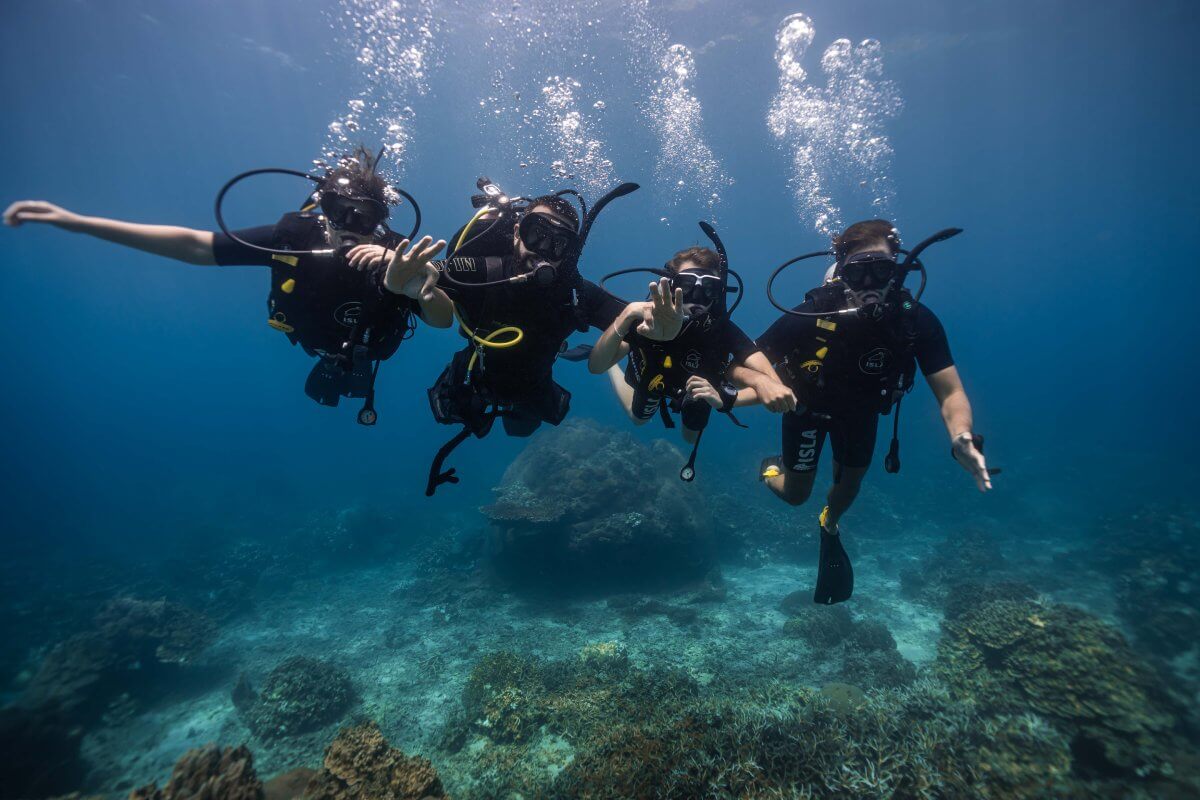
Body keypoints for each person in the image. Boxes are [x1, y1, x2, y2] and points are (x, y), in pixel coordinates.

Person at [2, 146, 450, 425]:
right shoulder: (294, 240)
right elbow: (196, 246)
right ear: (321, 208)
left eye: (364, 217)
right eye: (337, 210)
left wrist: (417, 290)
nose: (348, 225)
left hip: (372, 346)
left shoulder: (399, 256)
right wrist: (77, 222)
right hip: (318, 342)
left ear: (380, 221)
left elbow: (443, 320)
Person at [733, 219, 993, 605]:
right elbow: (739, 362)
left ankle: (830, 522)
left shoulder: (914, 320)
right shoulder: (812, 314)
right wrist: (762, 382)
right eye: (858, 272)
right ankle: (770, 468)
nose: (870, 283)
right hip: (806, 410)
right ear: (842, 273)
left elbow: (951, 392)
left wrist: (961, 436)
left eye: (881, 270)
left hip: (861, 415)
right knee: (795, 495)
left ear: (898, 269)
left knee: (848, 489)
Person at [417, 181, 682, 495]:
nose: (543, 250)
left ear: (569, 253)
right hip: (476, 372)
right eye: (536, 235)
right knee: (461, 417)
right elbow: (432, 276)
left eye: (558, 244)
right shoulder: (484, 270)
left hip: (535, 385)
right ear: (517, 232)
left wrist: (659, 330)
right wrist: (413, 278)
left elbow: (636, 319)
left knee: (520, 430)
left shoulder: (575, 293)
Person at [588, 242, 793, 481]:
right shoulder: (646, 317)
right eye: (686, 286)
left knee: (690, 437)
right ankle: (617, 361)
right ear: (671, 284)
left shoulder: (721, 329)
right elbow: (595, 366)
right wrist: (627, 314)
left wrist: (727, 398)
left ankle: (622, 351)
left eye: (709, 288)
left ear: (718, 293)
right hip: (652, 376)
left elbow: (776, 387)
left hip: (696, 389)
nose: (697, 297)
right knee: (639, 419)